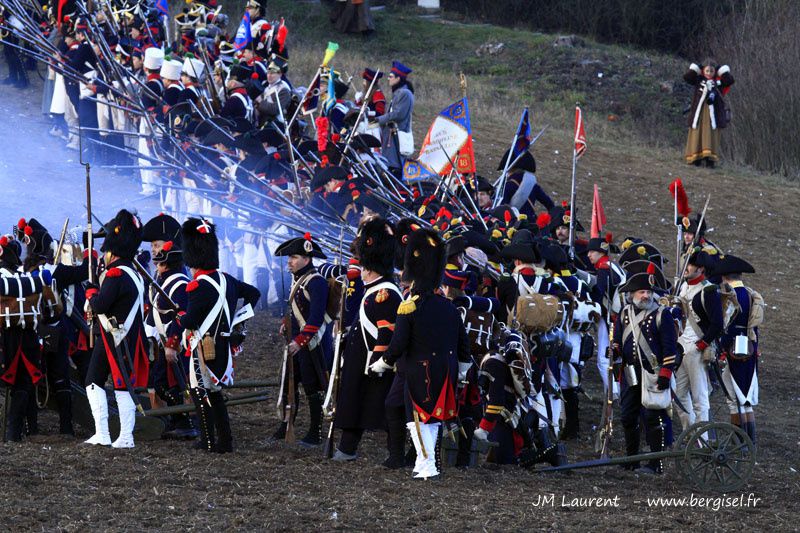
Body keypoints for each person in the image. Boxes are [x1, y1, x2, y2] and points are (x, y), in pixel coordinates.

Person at [370, 229, 470, 479]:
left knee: (418, 418)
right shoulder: (449, 307)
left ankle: (427, 466)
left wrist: (382, 363)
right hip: (445, 368)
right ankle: (424, 463)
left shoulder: (409, 306)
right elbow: (463, 346)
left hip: (418, 369)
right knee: (431, 418)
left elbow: (398, 344)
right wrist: (464, 370)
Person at [176, 218, 260, 452]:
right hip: (222, 343)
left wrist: (179, 316)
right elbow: (253, 294)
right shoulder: (228, 279)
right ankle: (225, 441)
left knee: (199, 391)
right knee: (215, 393)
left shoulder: (197, 285)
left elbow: (190, 320)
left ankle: (209, 441)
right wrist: (237, 322)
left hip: (203, 346)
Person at [332, 217, 401, 461]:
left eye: (363, 268)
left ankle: (395, 454)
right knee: (353, 402)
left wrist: (378, 361)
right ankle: (347, 448)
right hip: (361, 358)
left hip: (373, 363)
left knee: (386, 409)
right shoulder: (375, 291)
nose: (360, 272)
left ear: (371, 269)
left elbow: (386, 331)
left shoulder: (385, 294)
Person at [83, 209, 149, 449]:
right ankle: (113, 435)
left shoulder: (116, 273)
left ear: (112, 250)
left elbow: (100, 304)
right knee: (108, 382)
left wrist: (91, 291)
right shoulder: (134, 274)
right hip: (125, 335)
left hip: (116, 336)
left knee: (108, 383)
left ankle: (116, 435)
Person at [612, 264, 680, 474]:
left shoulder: (662, 315)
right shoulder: (624, 313)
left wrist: (665, 373)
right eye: (642, 292)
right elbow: (617, 338)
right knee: (627, 416)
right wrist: (614, 352)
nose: (646, 295)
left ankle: (655, 463)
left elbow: (670, 347)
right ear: (632, 294)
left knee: (652, 418)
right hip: (630, 372)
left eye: (649, 292)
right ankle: (632, 458)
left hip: (652, 373)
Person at [141, 214, 197, 440]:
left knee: (176, 384)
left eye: (158, 245)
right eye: (153, 246)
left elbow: (181, 316)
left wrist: (172, 344)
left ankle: (185, 421)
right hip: (162, 340)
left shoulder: (179, 281)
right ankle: (178, 420)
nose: (154, 250)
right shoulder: (159, 276)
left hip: (177, 343)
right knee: (162, 382)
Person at [273, 232, 330, 447]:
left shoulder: (316, 283)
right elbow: (297, 311)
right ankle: (287, 424)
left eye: (294, 258)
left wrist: (300, 341)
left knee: (311, 386)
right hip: (296, 342)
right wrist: (286, 325)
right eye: (289, 258)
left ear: (306, 259)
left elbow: (315, 318)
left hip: (310, 343)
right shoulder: (298, 280)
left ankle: (315, 432)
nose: (289, 261)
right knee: (289, 383)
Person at [0, 235, 50, 441]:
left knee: (23, 383)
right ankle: (20, 431)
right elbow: (51, 306)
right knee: (24, 383)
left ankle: (16, 432)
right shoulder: (30, 279)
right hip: (26, 336)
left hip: (8, 337)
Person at [674, 249, 723, 430]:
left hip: (696, 348)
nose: (686, 268)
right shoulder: (684, 286)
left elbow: (717, 323)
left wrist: (702, 344)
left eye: (691, 264)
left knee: (700, 397)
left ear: (701, 269)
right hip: (682, 347)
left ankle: (702, 440)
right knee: (679, 395)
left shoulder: (708, 291)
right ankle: (691, 433)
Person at [715, 254, 762, 446]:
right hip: (748, 347)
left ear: (725, 277)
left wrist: (720, 347)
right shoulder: (751, 295)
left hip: (734, 348)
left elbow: (728, 325)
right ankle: (746, 441)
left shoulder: (730, 297)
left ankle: (740, 442)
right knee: (744, 399)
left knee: (737, 399)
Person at [684, 60, 734, 168]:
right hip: (699, 112)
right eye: (707, 70)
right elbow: (687, 78)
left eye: (711, 71)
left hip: (714, 115)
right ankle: (696, 158)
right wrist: (697, 67)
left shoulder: (718, 82)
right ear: (703, 71)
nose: (709, 73)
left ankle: (709, 160)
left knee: (712, 135)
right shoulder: (698, 80)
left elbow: (730, 80)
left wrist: (722, 70)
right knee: (697, 132)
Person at [376, 61, 414, 173]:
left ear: (398, 79)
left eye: (391, 76)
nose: (388, 79)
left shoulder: (404, 93)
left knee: (394, 167)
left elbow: (398, 115)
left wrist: (379, 120)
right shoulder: (399, 93)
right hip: (391, 136)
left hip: (396, 138)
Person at [497, 149, 554, 219]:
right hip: (531, 224)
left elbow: (501, 209)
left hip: (513, 225)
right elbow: (550, 204)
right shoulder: (532, 183)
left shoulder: (508, 185)